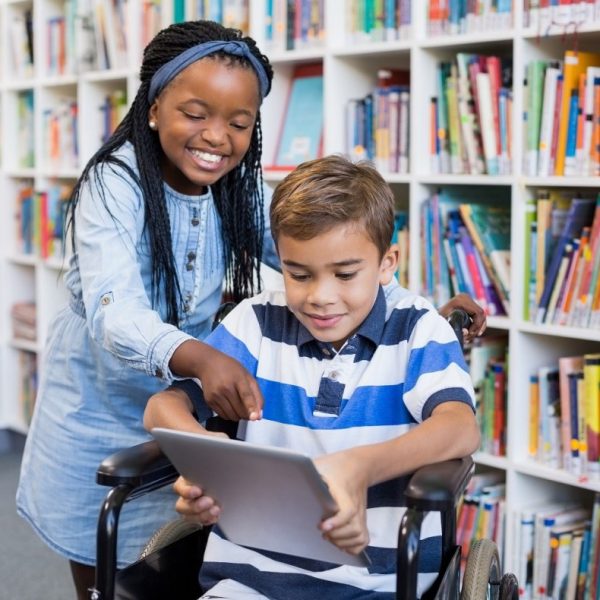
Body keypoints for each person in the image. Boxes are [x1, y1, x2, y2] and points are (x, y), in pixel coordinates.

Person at [16, 19, 484, 599]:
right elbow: (116, 314)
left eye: (239, 124)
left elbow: (328, 248)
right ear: (154, 108)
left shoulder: (239, 188)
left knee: (189, 537)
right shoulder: (114, 185)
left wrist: (416, 309)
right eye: (196, 114)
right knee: (104, 571)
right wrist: (202, 363)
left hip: (204, 414)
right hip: (105, 404)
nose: (217, 137)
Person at [144, 154, 482, 599]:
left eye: (345, 274)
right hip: (246, 580)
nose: (321, 297)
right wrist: (206, 459)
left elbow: (459, 426)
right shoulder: (257, 322)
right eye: (298, 274)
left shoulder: (417, 329)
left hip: (377, 583)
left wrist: (358, 468)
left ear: (386, 263)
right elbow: (163, 406)